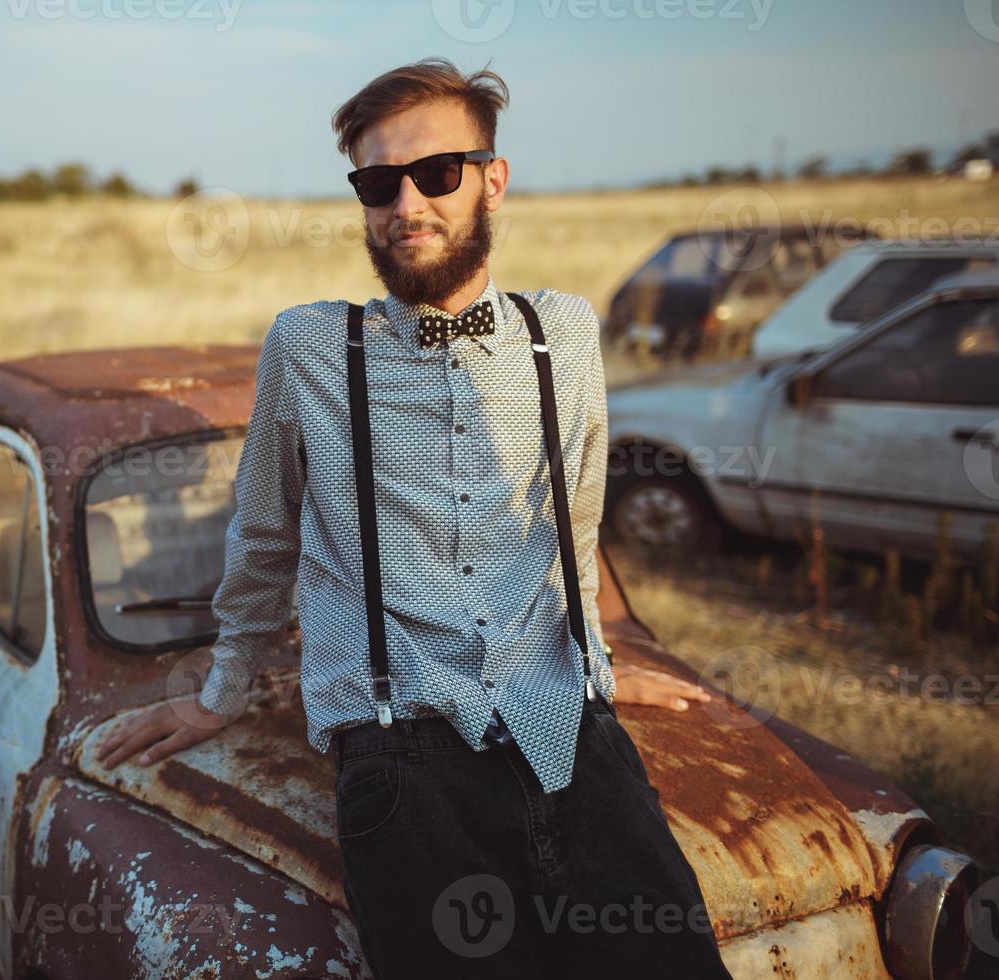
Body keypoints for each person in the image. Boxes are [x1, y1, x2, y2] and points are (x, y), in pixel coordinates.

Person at [97, 57, 731, 978]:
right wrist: (220, 691)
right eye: (377, 182)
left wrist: (596, 660)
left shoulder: (566, 335)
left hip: (569, 726)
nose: (408, 205)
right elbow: (265, 536)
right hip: (402, 756)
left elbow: (575, 521)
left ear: (492, 180)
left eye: (437, 174)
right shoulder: (310, 347)